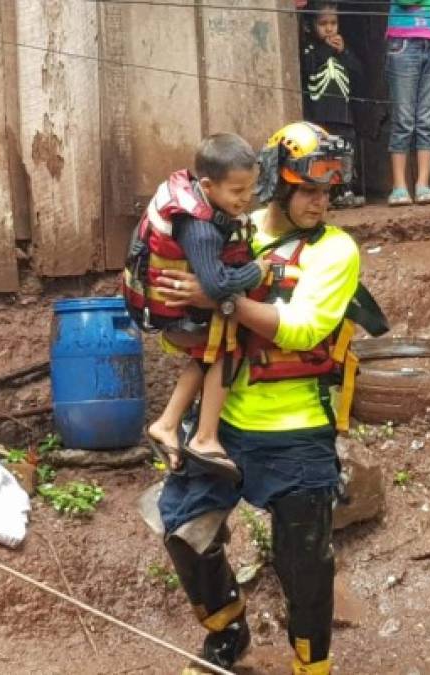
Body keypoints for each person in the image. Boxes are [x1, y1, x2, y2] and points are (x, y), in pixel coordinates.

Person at [152, 122, 385, 675]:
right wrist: (177, 308)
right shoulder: (235, 226)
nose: (320, 202)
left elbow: (302, 329)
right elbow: (184, 323)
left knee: (304, 565)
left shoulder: (338, 252)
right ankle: (227, 637)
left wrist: (220, 299)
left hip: (298, 431)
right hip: (225, 421)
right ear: (278, 186)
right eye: (308, 190)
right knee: (184, 529)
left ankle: (312, 666)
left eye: (328, 192)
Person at [121, 133, 269, 483]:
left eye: (251, 189)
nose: (246, 199)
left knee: (208, 351)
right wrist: (255, 271)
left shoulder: (193, 195)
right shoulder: (200, 229)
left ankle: (167, 424)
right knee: (226, 347)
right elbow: (216, 285)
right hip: (177, 318)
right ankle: (205, 438)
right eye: (237, 192)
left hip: (172, 312)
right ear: (207, 184)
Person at [301, 0, 365, 209]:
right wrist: (327, 50)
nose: (329, 28)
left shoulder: (343, 51)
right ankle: (325, 192)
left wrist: (344, 52)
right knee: (323, 155)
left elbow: (358, 74)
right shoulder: (310, 50)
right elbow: (308, 70)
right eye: (323, 24)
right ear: (310, 26)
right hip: (320, 115)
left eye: (333, 23)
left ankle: (344, 190)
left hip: (343, 114)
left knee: (345, 152)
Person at [384, 0, 430, 207]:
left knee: (427, 119)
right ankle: (399, 186)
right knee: (403, 118)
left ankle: (423, 184)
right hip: (404, 41)